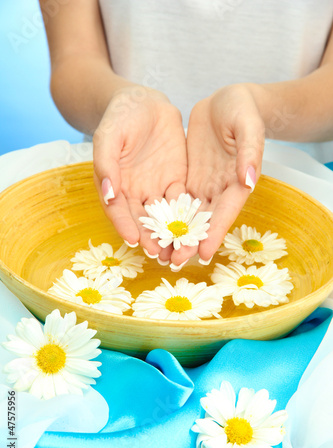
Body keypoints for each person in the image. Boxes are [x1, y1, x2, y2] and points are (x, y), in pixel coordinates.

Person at [39, 0, 333, 269]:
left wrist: (260, 106)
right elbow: (72, 58)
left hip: (304, 196)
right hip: (125, 184)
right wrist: (123, 100)